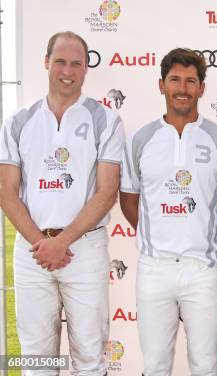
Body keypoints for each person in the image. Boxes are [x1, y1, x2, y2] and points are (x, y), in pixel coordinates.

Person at [0, 31, 125, 375]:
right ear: (46, 62)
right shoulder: (17, 121)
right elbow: (6, 191)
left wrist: (62, 242)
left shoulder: (106, 120)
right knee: (37, 359)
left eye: (76, 63)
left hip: (83, 250)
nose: (67, 70)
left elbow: (106, 192)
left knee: (89, 358)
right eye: (60, 61)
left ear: (86, 69)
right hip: (32, 251)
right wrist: (43, 244)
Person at [119, 48, 217, 376]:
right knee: (155, 364)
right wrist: (154, 233)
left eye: (190, 81)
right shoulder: (140, 139)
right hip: (154, 269)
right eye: (175, 80)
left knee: (205, 364)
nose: (182, 88)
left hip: (204, 269)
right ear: (161, 85)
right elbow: (129, 198)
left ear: (202, 87)